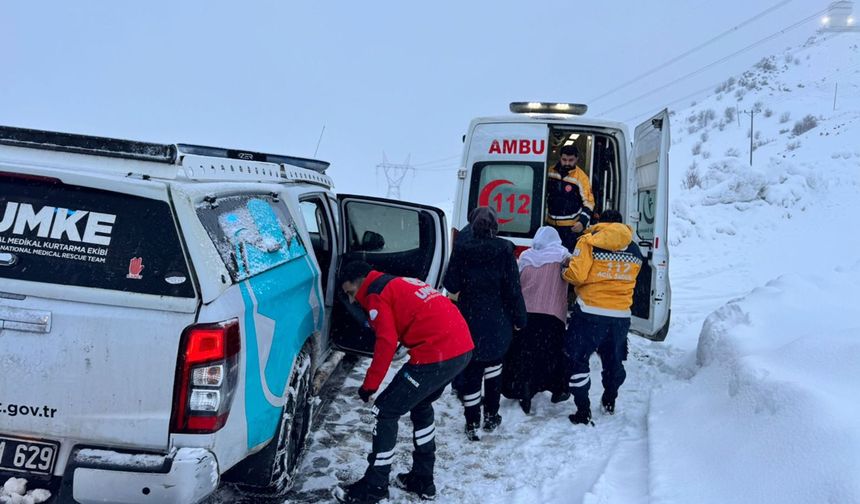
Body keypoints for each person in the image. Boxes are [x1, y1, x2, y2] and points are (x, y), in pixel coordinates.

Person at [334, 261, 474, 503]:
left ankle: (375, 487)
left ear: (362, 282)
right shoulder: (395, 282)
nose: (353, 301)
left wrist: (370, 386)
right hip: (460, 348)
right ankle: (423, 479)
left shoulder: (376, 296)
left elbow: (386, 342)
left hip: (437, 353)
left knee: (385, 410)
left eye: (351, 293)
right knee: (420, 404)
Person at [443, 206, 527, 441]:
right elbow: (513, 290)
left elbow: (451, 284)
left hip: (468, 320)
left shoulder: (461, 249)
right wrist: (520, 319)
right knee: (494, 370)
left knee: (472, 372)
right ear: (495, 227)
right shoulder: (504, 250)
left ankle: (471, 423)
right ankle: (491, 415)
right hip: (497, 321)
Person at [561, 210, 643, 425]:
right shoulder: (634, 249)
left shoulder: (588, 241)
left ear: (600, 223)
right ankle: (610, 399)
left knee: (577, 359)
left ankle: (583, 410)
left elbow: (577, 275)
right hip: (620, 315)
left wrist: (564, 272)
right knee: (613, 359)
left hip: (590, 312)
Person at [502, 226, 572, 414]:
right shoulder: (563, 256)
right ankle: (558, 388)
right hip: (552, 313)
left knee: (525, 354)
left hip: (527, 313)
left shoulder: (526, 257)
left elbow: (516, 281)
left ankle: (524, 387)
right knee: (551, 353)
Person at [545, 145, 596, 251]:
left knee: (568, 259)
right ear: (560, 158)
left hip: (570, 228)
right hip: (550, 225)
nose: (567, 163)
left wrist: (582, 222)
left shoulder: (582, 178)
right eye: (564, 160)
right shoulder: (550, 172)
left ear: (577, 159)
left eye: (571, 160)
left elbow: (589, 203)